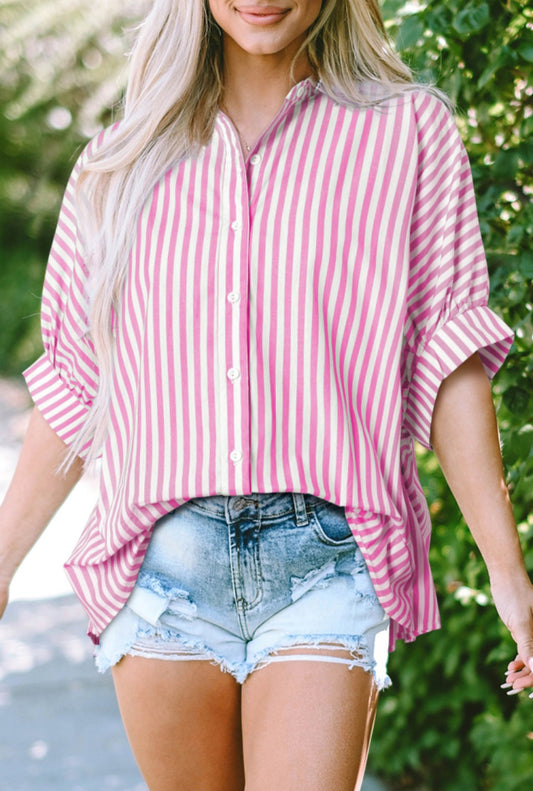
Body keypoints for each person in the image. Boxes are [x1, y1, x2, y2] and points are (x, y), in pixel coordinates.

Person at [1, 1, 532, 789]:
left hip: (324, 566)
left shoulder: (407, 135)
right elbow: (79, 387)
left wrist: (506, 572)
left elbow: (446, 360)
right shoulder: (117, 163)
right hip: (162, 575)